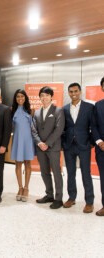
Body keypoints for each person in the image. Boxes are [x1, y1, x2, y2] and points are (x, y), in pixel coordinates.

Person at [62, 82, 94, 213]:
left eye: (75, 91)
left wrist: (91, 142)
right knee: (70, 173)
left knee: (86, 173)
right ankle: (72, 197)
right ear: (68, 93)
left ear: (80, 92)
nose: (73, 94)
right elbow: (63, 128)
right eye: (71, 92)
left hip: (84, 145)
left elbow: (94, 126)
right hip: (69, 146)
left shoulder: (89, 107)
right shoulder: (64, 109)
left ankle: (89, 202)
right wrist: (63, 143)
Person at [32, 86, 65, 209]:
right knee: (44, 172)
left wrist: (48, 143)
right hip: (41, 148)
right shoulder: (36, 112)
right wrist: (39, 143)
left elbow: (59, 129)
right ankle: (49, 195)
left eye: (46, 95)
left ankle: (58, 198)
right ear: (39, 97)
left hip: (53, 147)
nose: (44, 97)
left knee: (56, 173)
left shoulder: (58, 111)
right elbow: (34, 130)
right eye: (42, 95)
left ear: (51, 96)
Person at [11, 89, 36, 202]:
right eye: (18, 96)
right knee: (17, 164)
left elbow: (34, 127)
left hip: (28, 140)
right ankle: (20, 188)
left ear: (25, 97)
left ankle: (26, 188)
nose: (20, 98)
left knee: (27, 164)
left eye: (22, 96)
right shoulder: (12, 110)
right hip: (17, 140)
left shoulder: (31, 111)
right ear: (15, 98)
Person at [91, 77, 104, 216]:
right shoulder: (98, 105)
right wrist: (99, 141)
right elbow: (94, 126)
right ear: (102, 88)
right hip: (102, 149)